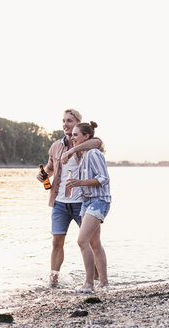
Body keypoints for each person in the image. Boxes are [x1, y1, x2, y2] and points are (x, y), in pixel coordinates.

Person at [37, 109, 102, 287]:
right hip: (59, 202)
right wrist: (43, 175)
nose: (65, 124)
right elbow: (50, 168)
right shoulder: (55, 146)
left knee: (91, 242)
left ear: (78, 124)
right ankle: (53, 281)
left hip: (84, 201)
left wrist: (73, 149)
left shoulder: (86, 142)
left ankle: (96, 280)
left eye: (70, 121)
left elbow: (97, 142)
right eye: (64, 121)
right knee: (57, 242)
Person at [66, 121, 111, 293]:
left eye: (75, 135)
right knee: (94, 243)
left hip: (99, 201)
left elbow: (103, 178)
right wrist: (76, 187)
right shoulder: (84, 156)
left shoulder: (93, 153)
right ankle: (104, 284)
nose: (72, 138)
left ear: (86, 136)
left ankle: (89, 284)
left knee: (82, 241)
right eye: (72, 135)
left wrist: (79, 182)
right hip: (87, 201)